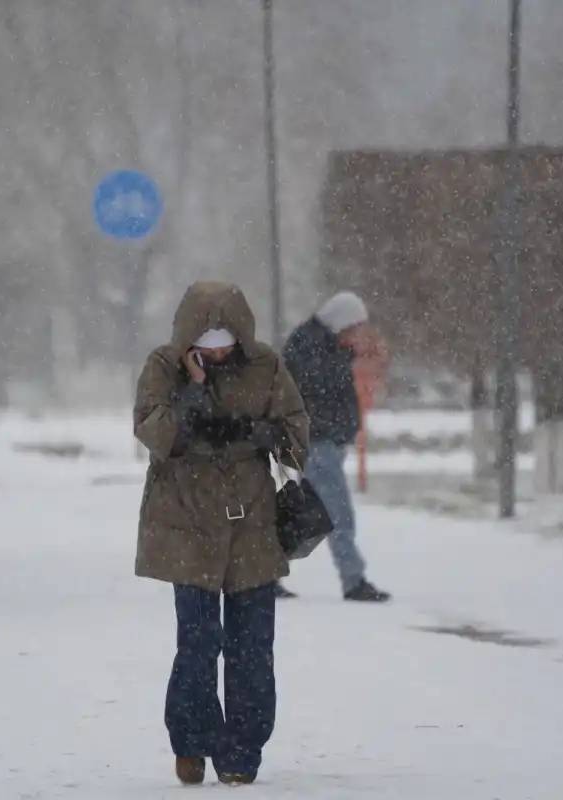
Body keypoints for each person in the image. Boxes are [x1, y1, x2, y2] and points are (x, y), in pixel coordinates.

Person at [133, 281, 309, 787]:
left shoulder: (267, 368)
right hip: (186, 524)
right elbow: (152, 429)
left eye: (225, 344)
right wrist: (191, 395)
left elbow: (297, 437)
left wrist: (260, 433)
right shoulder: (162, 368)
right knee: (198, 640)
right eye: (205, 346)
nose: (216, 354)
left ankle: (241, 751)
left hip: (251, 523)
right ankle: (190, 742)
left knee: (253, 644)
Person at [281, 291, 391, 602]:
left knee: (303, 515)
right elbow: (318, 391)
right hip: (315, 444)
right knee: (337, 514)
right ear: (342, 324)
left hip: (315, 442)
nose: (359, 335)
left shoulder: (319, 345)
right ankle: (353, 580)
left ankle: (264, 576)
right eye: (355, 328)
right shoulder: (314, 348)